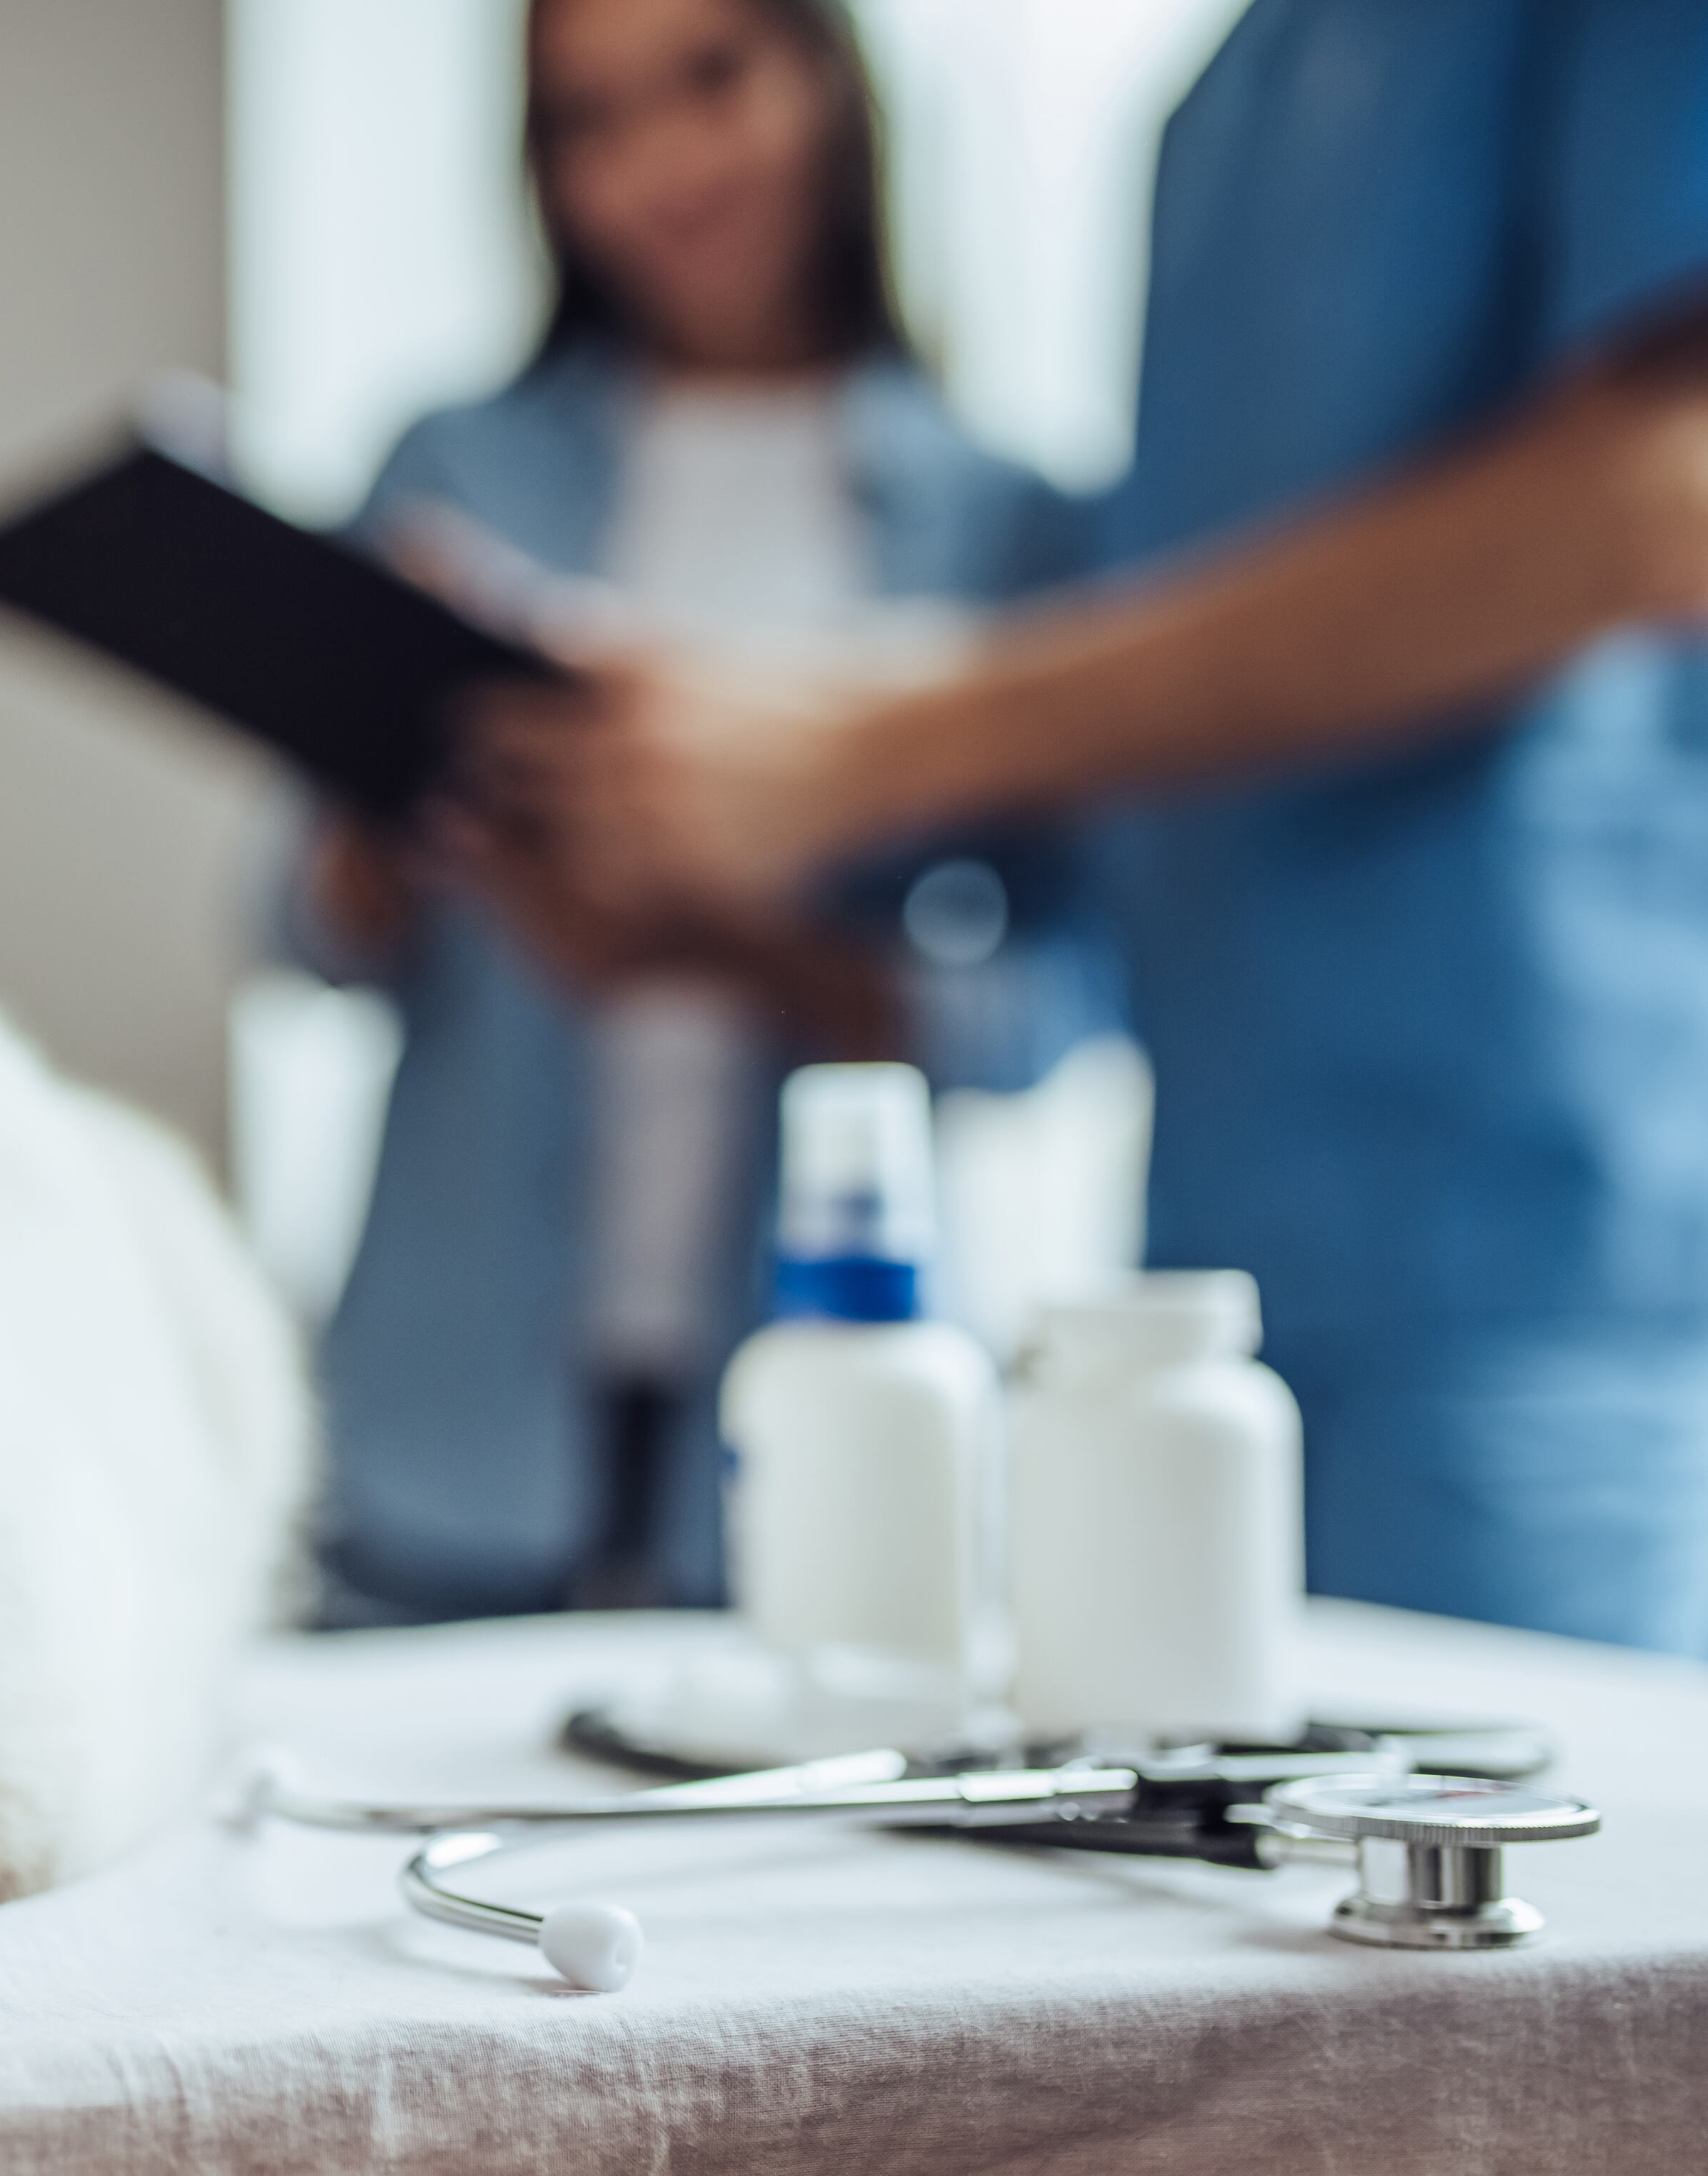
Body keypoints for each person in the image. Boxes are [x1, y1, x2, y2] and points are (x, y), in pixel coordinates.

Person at [491, 0, 1708, 1655]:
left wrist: (872, 742)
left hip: (1519, 1256)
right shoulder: (1212, 112)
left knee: (1551, 1885)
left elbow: (1668, 493)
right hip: (1202, 1282)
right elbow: (1147, 782)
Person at [292, 0, 1105, 1625]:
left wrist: (734, 957)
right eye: (589, 122)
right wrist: (402, 817)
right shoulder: (454, 468)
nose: (660, 165)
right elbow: (293, 922)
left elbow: (1059, 1010)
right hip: (450, 1402)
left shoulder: (1014, 522)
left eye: (711, 81)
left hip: (823, 1417)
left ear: (829, 79)